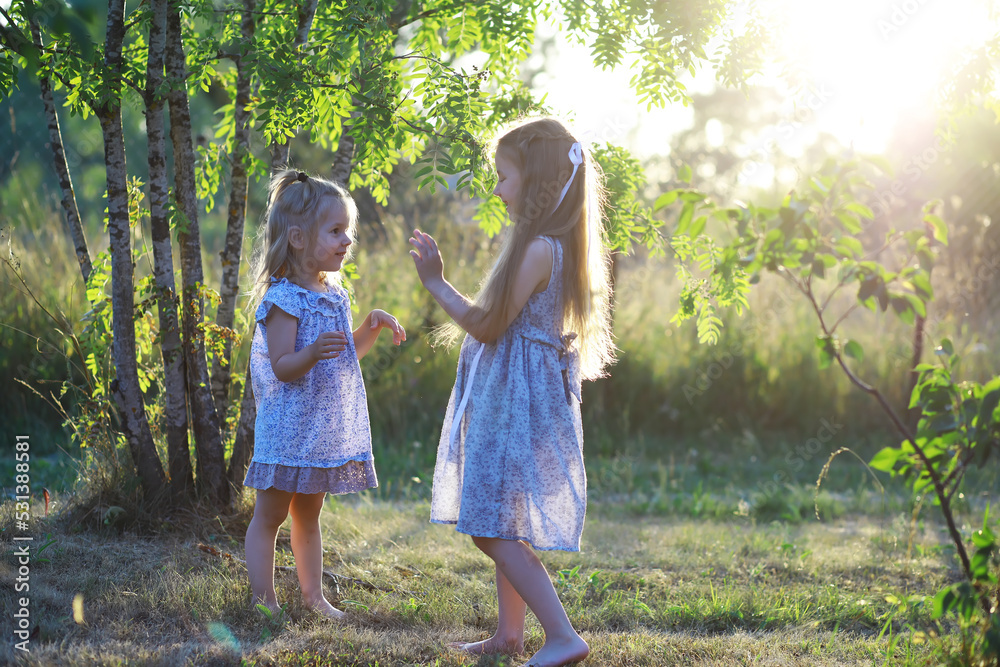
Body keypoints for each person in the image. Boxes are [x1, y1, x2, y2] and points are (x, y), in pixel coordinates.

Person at [409, 117, 615, 667]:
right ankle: (508, 635)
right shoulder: (553, 248)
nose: (496, 188)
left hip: (514, 403)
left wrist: (436, 282)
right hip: (525, 397)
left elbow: (487, 324)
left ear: (540, 182)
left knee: (487, 525)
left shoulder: (539, 251)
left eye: (503, 176)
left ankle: (564, 636)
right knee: (506, 516)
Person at [243, 169, 405, 619]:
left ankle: (314, 598)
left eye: (347, 231)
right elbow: (282, 367)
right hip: (287, 429)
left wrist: (369, 326)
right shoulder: (284, 299)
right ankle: (264, 600)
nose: (347, 240)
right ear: (297, 238)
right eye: (335, 231)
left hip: (316, 432)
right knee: (271, 515)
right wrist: (311, 351)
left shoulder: (333, 293)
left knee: (309, 515)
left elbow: (344, 353)